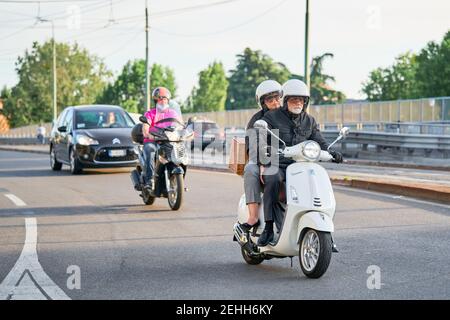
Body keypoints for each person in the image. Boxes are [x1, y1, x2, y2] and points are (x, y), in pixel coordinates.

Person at [256, 79, 343, 246]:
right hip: (279, 164)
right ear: (286, 100)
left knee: (316, 181)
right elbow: (262, 140)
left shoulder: (309, 121)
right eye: (294, 99)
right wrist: (266, 152)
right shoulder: (272, 118)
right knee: (272, 178)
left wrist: (332, 153)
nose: (298, 103)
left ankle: (319, 226)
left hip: (301, 165)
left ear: (306, 102)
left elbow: (319, 141)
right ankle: (268, 227)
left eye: (301, 100)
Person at [240, 80, 282, 233]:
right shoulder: (257, 120)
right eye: (270, 100)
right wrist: (263, 162)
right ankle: (253, 217)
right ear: (263, 103)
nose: (275, 102)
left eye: (277, 98)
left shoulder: (288, 115)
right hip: (263, 159)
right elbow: (253, 145)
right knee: (251, 169)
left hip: (286, 159)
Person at [141, 87, 181, 190]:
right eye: (160, 98)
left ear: (168, 100)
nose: (162, 101)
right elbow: (146, 126)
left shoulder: (173, 113)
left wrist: (186, 131)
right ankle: (150, 180)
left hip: (167, 141)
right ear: (156, 100)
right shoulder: (150, 114)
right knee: (150, 150)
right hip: (153, 141)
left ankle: (177, 177)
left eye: (165, 98)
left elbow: (180, 125)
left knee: (179, 150)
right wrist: (148, 133)